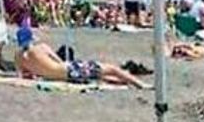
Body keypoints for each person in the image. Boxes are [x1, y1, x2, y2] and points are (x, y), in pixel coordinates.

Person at [15, 26, 150, 87]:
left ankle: (126, 82)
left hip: (60, 77)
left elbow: (23, 75)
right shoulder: (42, 47)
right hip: (68, 70)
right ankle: (141, 84)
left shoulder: (18, 57)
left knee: (101, 75)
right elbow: (60, 61)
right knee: (113, 69)